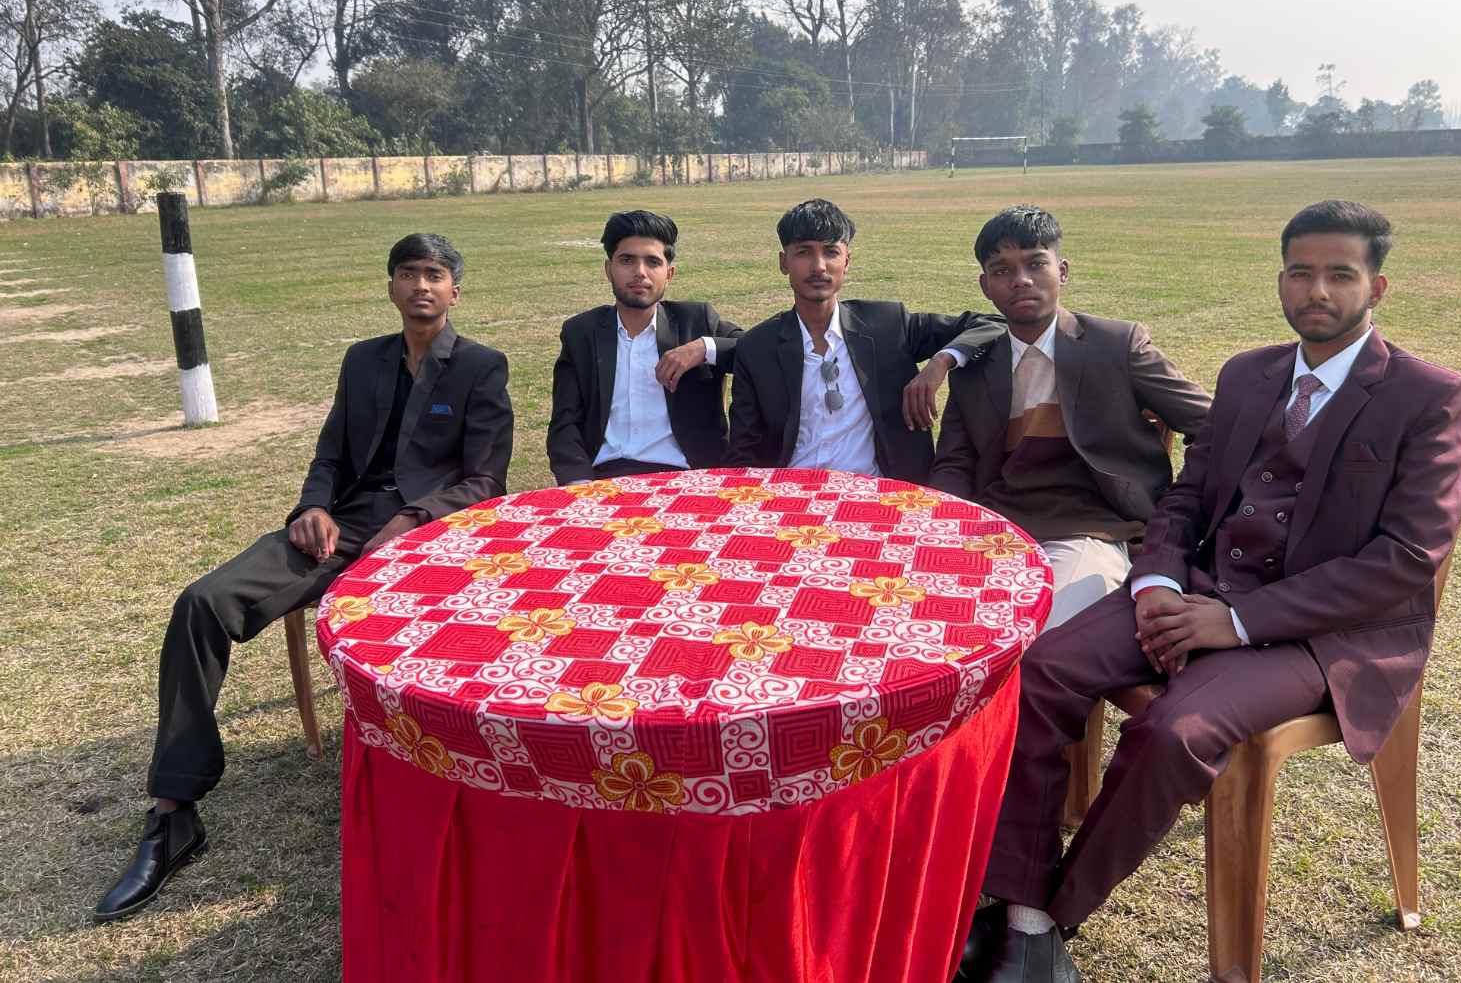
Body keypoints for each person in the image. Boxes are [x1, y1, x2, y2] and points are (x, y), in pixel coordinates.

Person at [963, 201, 1461, 982]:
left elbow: (1403, 560)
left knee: (1174, 731)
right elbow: (1186, 495)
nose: (1317, 290)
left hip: (1322, 635)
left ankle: (1050, 913)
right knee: (1037, 672)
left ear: (1377, 287)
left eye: (1340, 274)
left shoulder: (1427, 395)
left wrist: (1236, 619)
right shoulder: (1247, 374)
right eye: (1301, 272)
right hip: (1194, 590)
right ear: (1281, 279)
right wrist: (1157, 581)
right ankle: (1023, 913)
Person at [94, 233, 515, 922]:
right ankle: (174, 811)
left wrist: (411, 521)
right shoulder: (363, 360)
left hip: (427, 537)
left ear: (454, 292)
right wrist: (312, 507)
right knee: (202, 603)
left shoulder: (480, 366)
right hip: (339, 527)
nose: (421, 286)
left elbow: (485, 480)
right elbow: (329, 453)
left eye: (435, 275)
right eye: (408, 273)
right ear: (390, 286)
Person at [929, 206, 1211, 628]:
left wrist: (1179, 507)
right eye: (1002, 270)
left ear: (1061, 271)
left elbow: (1212, 426)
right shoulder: (975, 367)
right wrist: (942, 526)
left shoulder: (1116, 345)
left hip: (1091, 530)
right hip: (996, 527)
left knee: (1037, 628)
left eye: (1035, 264)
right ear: (986, 286)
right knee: (938, 620)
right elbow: (954, 461)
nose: (1021, 280)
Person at [726, 197, 1004, 484]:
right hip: (790, 492)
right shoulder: (757, 348)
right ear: (784, 262)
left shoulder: (887, 325)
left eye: (831, 252)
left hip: (880, 493)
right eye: (804, 252)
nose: (819, 266)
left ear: (847, 261)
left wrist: (941, 361)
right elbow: (743, 454)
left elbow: (992, 323)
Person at [547, 209, 744, 483]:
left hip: (689, 478)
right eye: (627, 260)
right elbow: (564, 426)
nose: (640, 272)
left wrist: (703, 348)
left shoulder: (696, 321)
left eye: (653, 262)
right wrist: (580, 486)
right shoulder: (581, 333)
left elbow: (758, 350)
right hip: (603, 479)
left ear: (669, 273)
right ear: (608, 269)